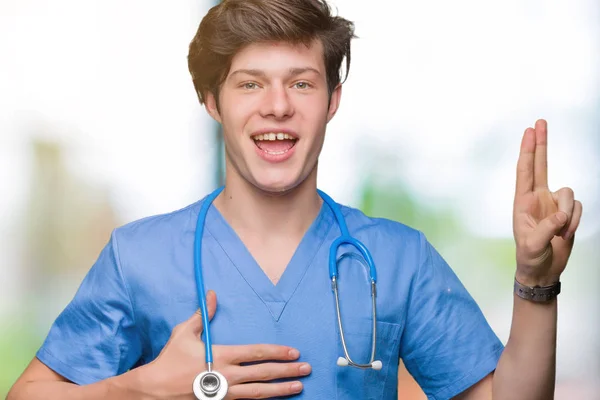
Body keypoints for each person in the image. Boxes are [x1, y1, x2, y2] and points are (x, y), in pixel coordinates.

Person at [7, 0, 583, 399]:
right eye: (250, 83)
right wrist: (139, 389)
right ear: (212, 101)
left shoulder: (397, 258)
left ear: (333, 99)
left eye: (301, 82)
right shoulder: (139, 256)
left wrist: (536, 284)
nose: (277, 105)